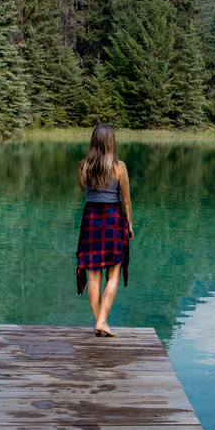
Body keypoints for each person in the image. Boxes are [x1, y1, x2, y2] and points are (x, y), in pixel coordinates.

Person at [75, 124, 133, 337]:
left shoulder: (83, 167)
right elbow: (126, 201)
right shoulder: (119, 167)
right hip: (113, 220)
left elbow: (85, 189)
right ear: (111, 143)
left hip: (90, 220)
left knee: (93, 277)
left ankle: (100, 322)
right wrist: (129, 225)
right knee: (113, 274)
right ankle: (102, 321)